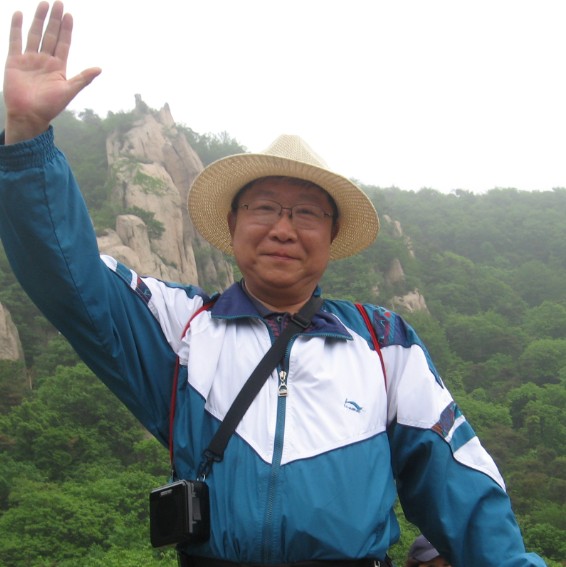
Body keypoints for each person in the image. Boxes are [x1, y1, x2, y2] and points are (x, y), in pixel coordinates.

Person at [0, 3, 546, 567]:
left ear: (332, 235)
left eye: (306, 213)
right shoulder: (181, 328)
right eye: (264, 207)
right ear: (233, 223)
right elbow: (70, 278)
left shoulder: (385, 344)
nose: (283, 229)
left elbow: (463, 489)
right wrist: (27, 140)